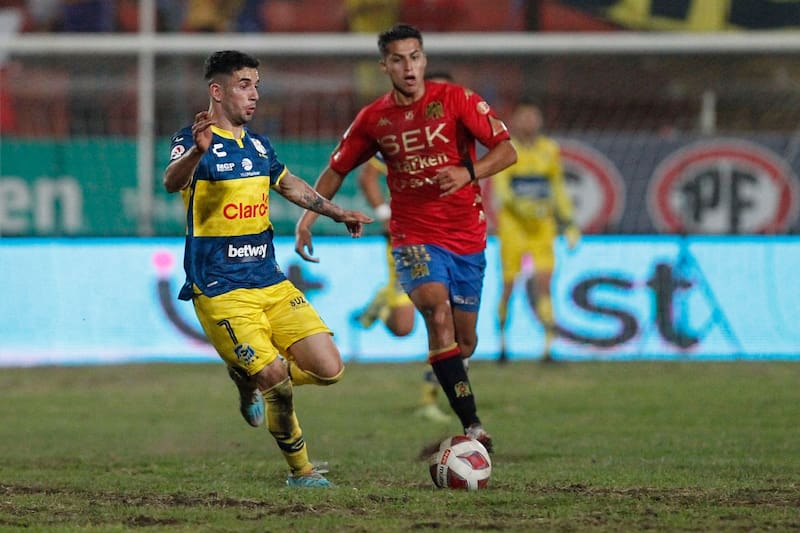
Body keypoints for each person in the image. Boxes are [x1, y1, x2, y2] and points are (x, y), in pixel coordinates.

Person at [295, 24, 517, 453]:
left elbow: (507, 150)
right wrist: (309, 217)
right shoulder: (374, 119)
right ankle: (473, 427)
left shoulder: (457, 100)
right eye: (398, 59)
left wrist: (468, 171)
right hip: (412, 234)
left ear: (424, 60)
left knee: (465, 340)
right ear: (385, 66)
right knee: (436, 313)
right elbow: (338, 168)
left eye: (414, 56)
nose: (408, 66)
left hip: (467, 236)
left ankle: (455, 395)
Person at [163, 50, 372, 488]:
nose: (254, 94)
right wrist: (196, 155)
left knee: (330, 369)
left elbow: (289, 183)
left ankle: (247, 376)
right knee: (277, 379)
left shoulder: (259, 145)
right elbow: (172, 182)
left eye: (256, 84)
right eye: (244, 84)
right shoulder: (191, 139)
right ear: (217, 91)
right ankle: (302, 472)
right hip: (220, 288)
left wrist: (335, 213)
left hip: (269, 279)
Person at [353, 70, 456, 424]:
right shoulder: (397, 134)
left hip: (451, 235)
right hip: (408, 235)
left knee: (444, 318)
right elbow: (366, 176)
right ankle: (386, 299)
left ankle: (431, 398)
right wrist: (384, 214)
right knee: (405, 327)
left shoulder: (457, 134)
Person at [492, 100, 580, 364]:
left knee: (544, 283)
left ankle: (547, 349)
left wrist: (570, 223)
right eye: (524, 117)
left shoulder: (549, 150)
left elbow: (558, 189)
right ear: (516, 121)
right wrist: (522, 207)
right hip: (513, 228)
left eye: (534, 117)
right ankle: (503, 345)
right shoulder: (505, 150)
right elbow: (502, 189)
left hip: (542, 229)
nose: (529, 122)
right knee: (509, 286)